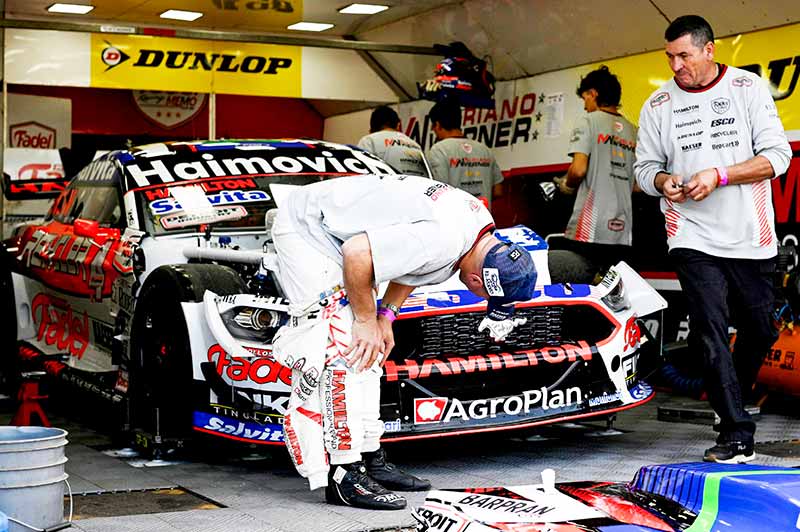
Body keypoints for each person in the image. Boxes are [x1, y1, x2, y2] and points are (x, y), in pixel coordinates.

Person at [270, 173, 537, 509]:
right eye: (487, 296)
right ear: (475, 279)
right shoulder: (445, 239)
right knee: (345, 345)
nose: (483, 299)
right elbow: (357, 254)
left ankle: (369, 457)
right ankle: (343, 473)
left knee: (372, 349)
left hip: (336, 234)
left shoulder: (479, 228)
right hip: (306, 230)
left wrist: (386, 315)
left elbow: (412, 265)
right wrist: (366, 320)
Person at [634, 14, 791, 464]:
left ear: (709, 50)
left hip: (750, 234)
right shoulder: (658, 104)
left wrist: (718, 175)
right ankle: (735, 431)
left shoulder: (747, 88)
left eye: (684, 55)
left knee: (760, 329)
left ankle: (733, 395)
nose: (676, 65)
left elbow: (777, 157)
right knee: (710, 328)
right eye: (670, 57)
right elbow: (645, 170)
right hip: (691, 232)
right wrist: (663, 181)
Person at [552, 66, 638, 277]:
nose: (585, 106)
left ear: (593, 93)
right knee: (611, 290)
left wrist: (566, 186)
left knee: (579, 286)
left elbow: (578, 169)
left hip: (589, 229)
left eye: (585, 99)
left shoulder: (588, 121)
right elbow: (637, 187)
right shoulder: (633, 130)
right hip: (622, 232)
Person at [426, 100, 504, 211]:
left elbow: (438, 192)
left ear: (437, 125)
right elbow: (498, 190)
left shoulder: (438, 150)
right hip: (484, 221)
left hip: (456, 221)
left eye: (433, 127)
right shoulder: (484, 150)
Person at [357, 106, 429, 177]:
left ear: (371, 129)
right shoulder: (416, 145)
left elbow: (360, 174)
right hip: (417, 187)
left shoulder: (368, 141)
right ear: (398, 125)